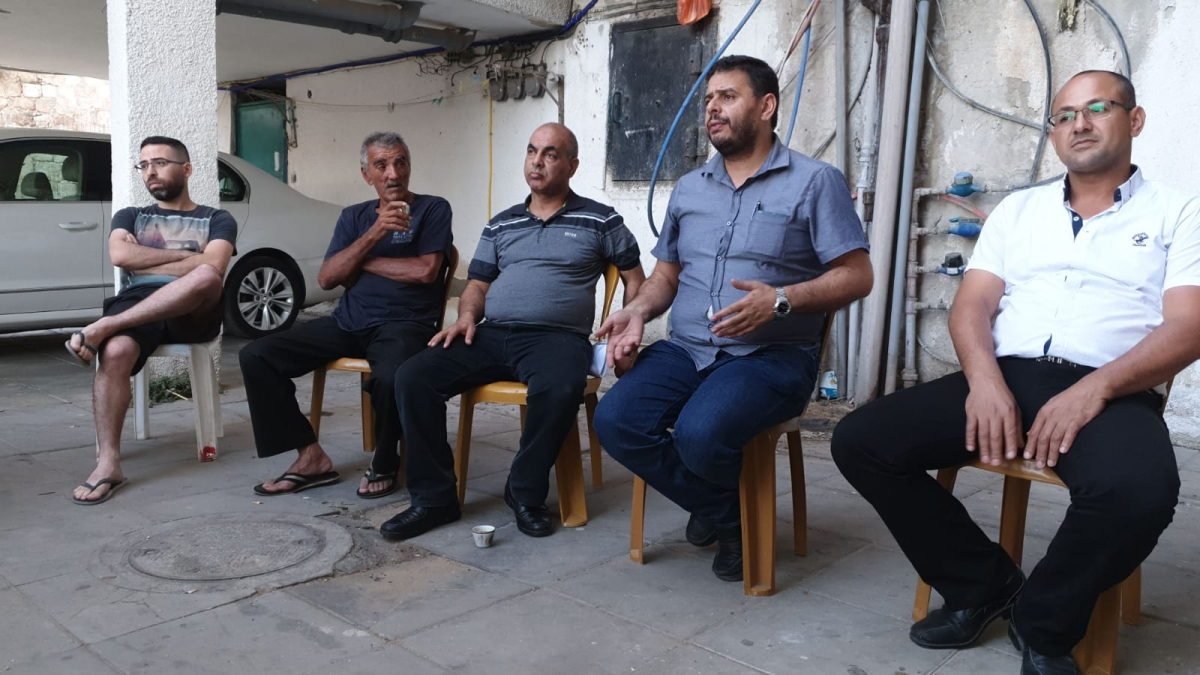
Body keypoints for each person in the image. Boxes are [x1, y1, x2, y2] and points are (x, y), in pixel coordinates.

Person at [831, 71, 1200, 675]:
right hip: (1007, 374)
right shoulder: (1019, 210)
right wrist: (984, 382)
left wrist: (1096, 388)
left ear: (1134, 120)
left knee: (1140, 491)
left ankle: (1043, 624)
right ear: (1053, 133)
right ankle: (982, 585)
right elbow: (972, 305)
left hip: (1111, 387)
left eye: (1098, 108)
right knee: (862, 441)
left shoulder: (1180, 213)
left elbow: (1189, 326)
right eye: (1064, 115)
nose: (1079, 124)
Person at [592, 55, 873, 582]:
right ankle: (731, 515)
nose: (712, 109)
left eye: (727, 97)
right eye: (708, 100)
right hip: (687, 348)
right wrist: (636, 310)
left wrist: (781, 299)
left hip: (771, 356)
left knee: (700, 433)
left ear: (766, 107)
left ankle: (713, 503)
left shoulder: (815, 181)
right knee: (615, 420)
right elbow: (666, 276)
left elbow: (857, 276)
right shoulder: (689, 188)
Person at [382, 122, 646, 541]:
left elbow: (635, 279)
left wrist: (628, 328)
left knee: (559, 387)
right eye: (531, 151)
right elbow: (477, 285)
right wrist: (466, 317)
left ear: (572, 165)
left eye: (550, 154)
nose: (537, 162)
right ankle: (434, 499)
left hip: (557, 338)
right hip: (491, 334)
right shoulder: (501, 224)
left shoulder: (601, 219)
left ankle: (524, 492)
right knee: (412, 377)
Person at [239, 132, 452, 499]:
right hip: (346, 323)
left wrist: (361, 262)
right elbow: (327, 277)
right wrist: (374, 234)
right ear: (367, 175)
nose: (392, 173)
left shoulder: (433, 209)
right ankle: (310, 456)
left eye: (400, 162)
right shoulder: (354, 217)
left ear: (409, 167)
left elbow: (425, 272)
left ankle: (385, 457)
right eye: (381, 165)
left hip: (404, 325)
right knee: (256, 356)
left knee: (392, 376)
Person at [66, 136, 236, 505]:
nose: (150, 172)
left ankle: (104, 327)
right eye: (144, 165)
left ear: (186, 169)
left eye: (160, 162)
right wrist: (190, 255)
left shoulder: (217, 218)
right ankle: (108, 463)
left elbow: (214, 265)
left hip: (193, 312)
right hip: (138, 304)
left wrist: (144, 257)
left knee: (207, 279)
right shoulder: (129, 216)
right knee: (115, 352)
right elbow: (119, 255)